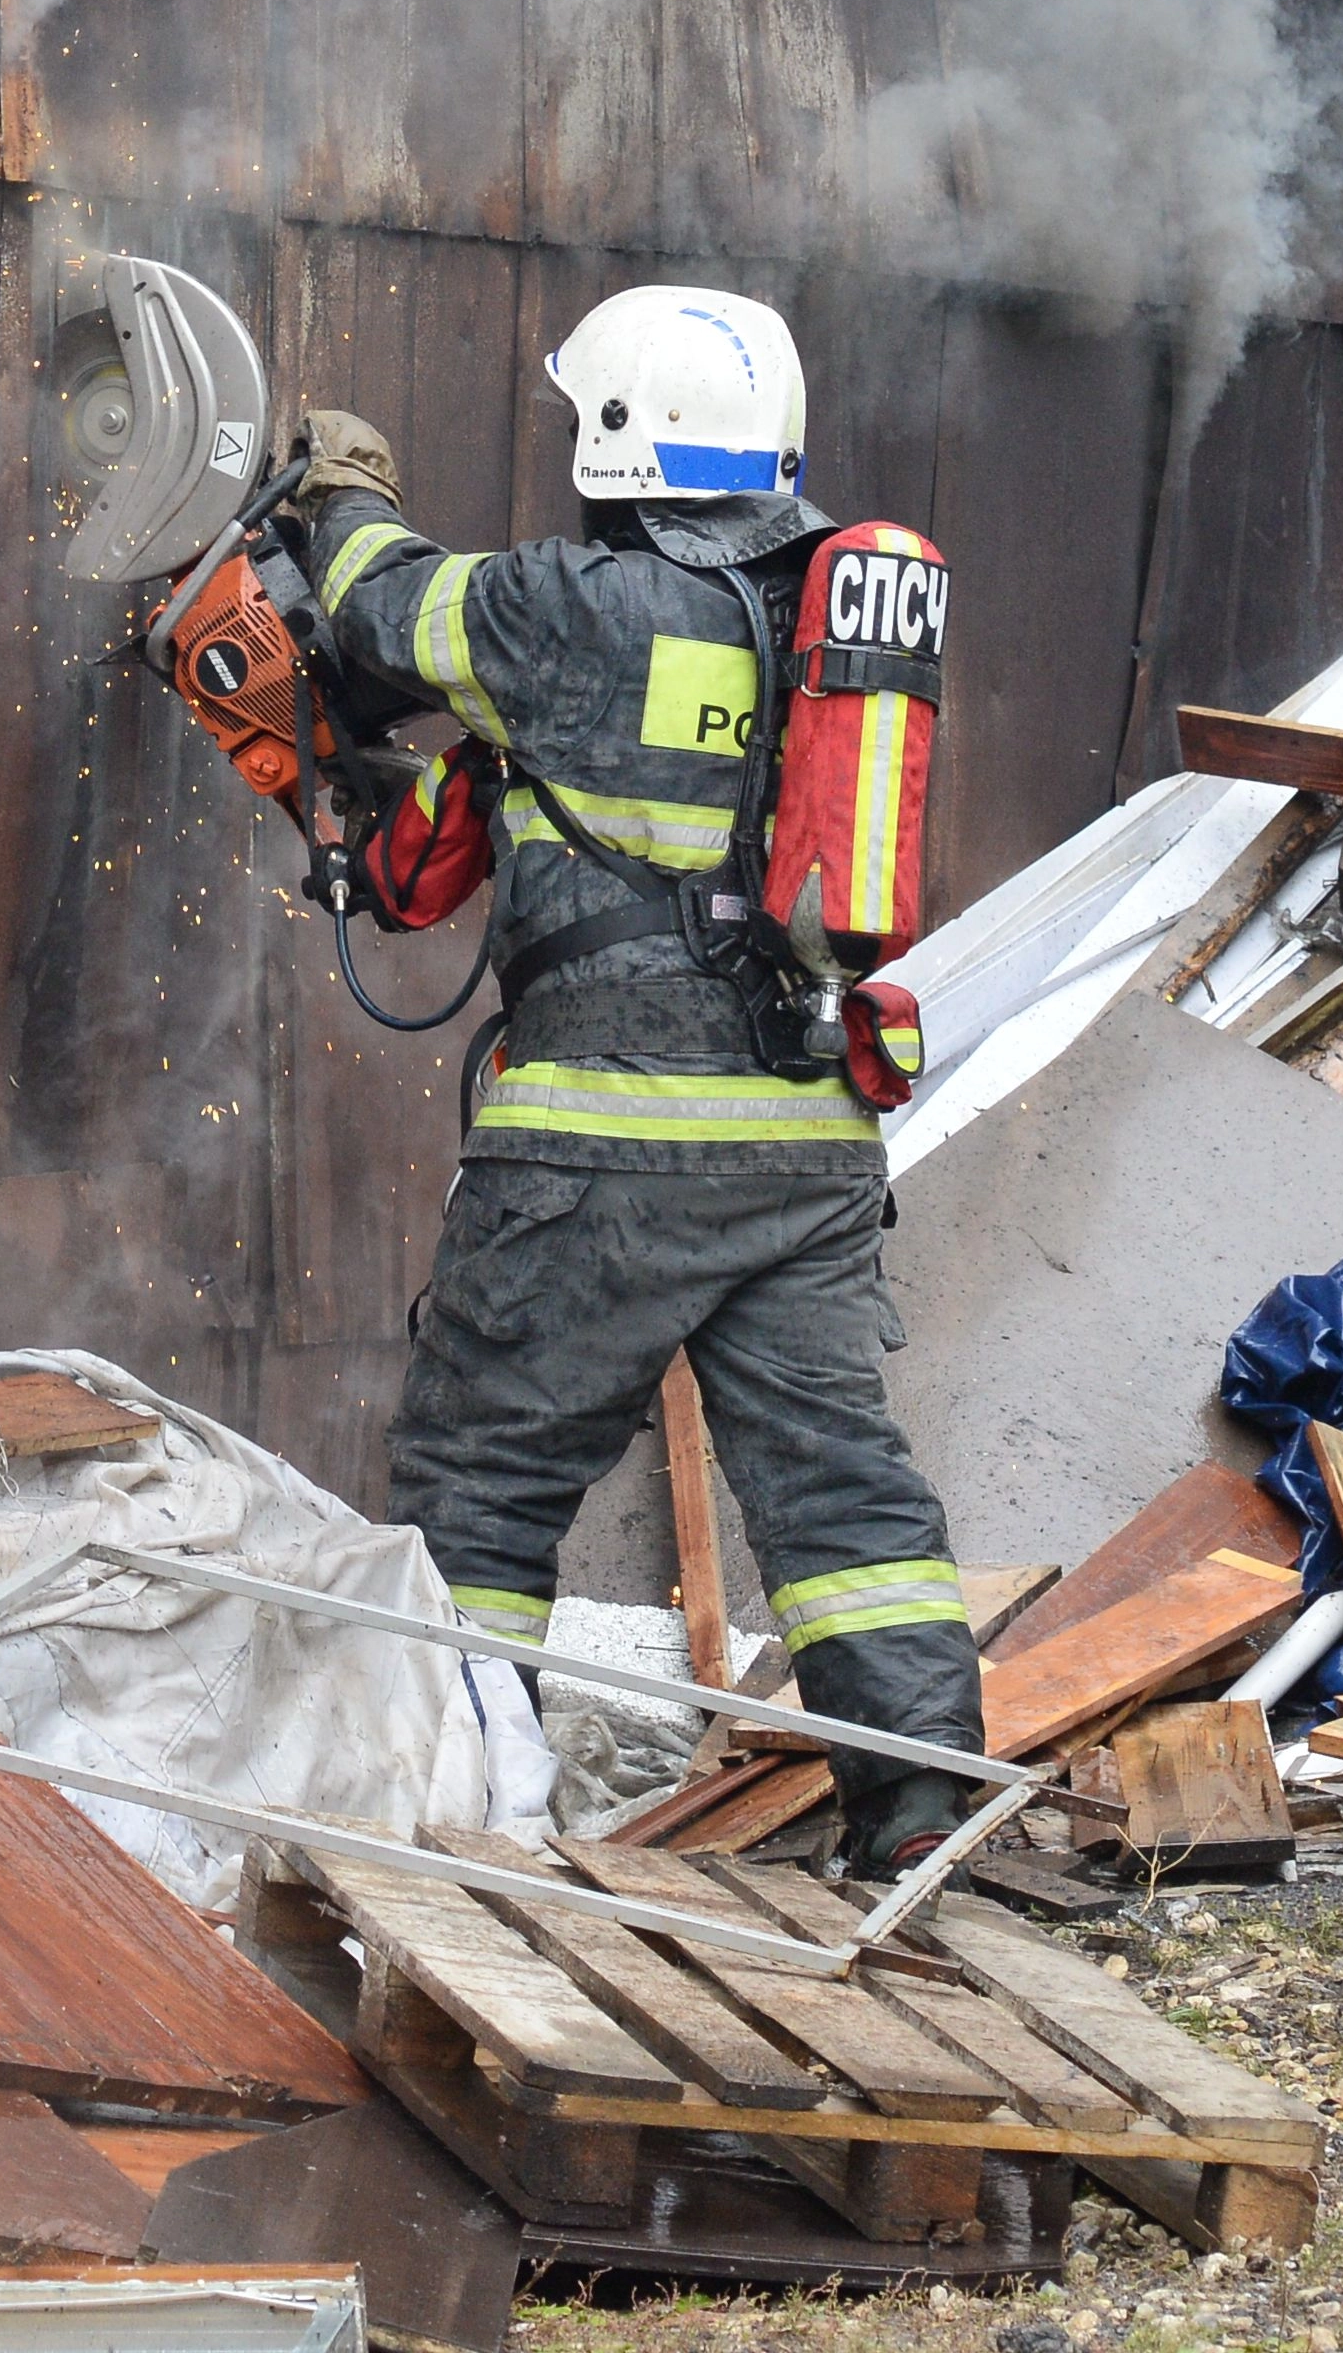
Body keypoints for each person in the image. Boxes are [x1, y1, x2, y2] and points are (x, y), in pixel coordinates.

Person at [273, 284, 987, 1873]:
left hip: (603, 1140)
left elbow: (382, 611)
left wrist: (340, 496)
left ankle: (466, 1800)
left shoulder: (568, 611)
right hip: (807, 1148)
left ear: (621, 435)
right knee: (837, 1486)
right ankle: (924, 1803)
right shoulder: (824, 617)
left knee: (482, 1475)